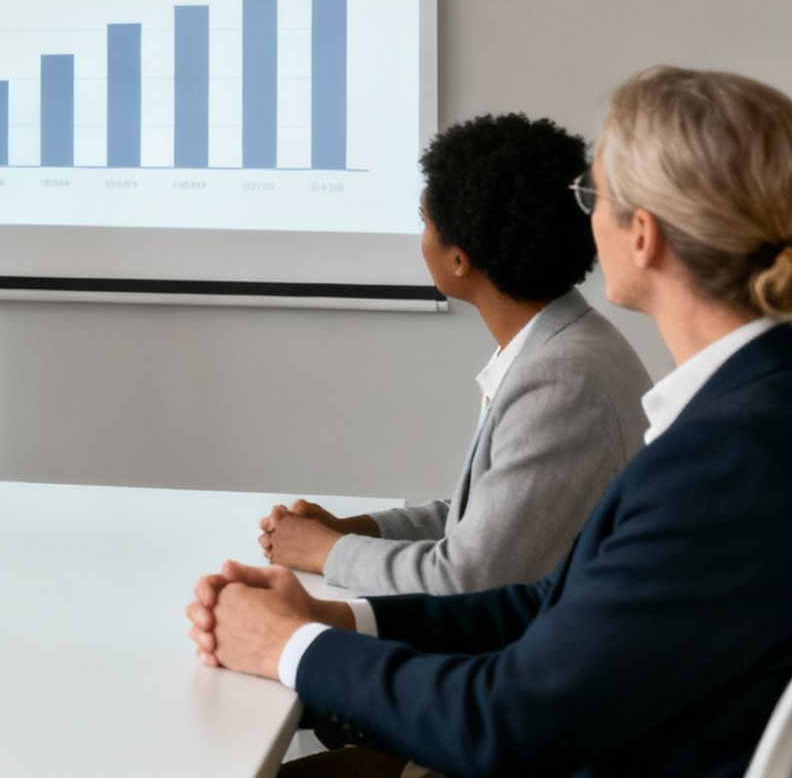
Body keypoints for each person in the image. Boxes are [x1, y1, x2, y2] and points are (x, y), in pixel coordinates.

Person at [187, 66, 792, 777]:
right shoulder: (747, 411)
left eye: (593, 194)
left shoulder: (726, 457)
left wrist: (289, 648)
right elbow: (551, 605)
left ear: (644, 237)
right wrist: (336, 622)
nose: (583, 216)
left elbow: (508, 723)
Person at [258, 114, 651, 595]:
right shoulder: (560, 345)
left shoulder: (562, 378)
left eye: (423, 221)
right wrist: (350, 529)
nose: (420, 237)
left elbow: (465, 576)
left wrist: (323, 551)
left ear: (461, 259)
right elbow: (475, 519)